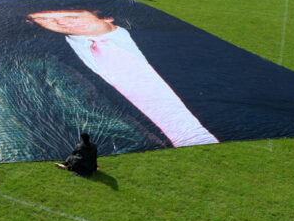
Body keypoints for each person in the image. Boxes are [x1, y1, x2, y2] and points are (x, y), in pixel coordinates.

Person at [27, 9, 218, 148]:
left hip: (212, 128)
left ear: (106, 16)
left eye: (72, 16)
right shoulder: (47, 59)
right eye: (44, 19)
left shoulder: (171, 39)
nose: (60, 23)